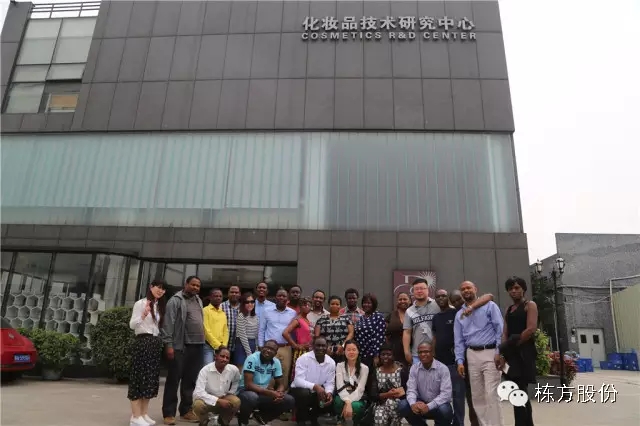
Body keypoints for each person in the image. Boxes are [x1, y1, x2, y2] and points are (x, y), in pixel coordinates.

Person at [432, 289, 492, 426]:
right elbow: (435, 336)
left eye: (443, 296)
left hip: (456, 362)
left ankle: (460, 423)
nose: (441, 298)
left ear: (448, 299)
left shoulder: (457, 313)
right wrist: (433, 353)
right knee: (441, 395)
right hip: (440, 362)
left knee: (458, 396)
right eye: (438, 296)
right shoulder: (436, 318)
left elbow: (488, 296)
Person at [454, 281, 504, 426]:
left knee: (491, 394)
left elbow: (500, 330)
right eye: (463, 289)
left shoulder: (490, 306)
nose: (466, 290)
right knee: (477, 397)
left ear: (475, 289)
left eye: (468, 287)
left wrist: (499, 352)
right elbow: (459, 340)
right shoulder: (459, 315)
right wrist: (459, 361)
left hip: (490, 352)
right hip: (471, 354)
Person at [162, 276, 205, 425]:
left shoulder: (198, 300)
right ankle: (168, 413)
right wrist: (169, 345)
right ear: (186, 284)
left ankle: (186, 410)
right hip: (180, 346)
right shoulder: (175, 300)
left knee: (190, 381)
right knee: (173, 380)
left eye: (198, 286)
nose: (195, 288)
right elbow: (168, 324)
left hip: (197, 345)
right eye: (193, 285)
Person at [128, 279, 167, 426]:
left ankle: (143, 414)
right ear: (151, 287)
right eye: (158, 287)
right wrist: (143, 315)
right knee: (139, 378)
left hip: (154, 343)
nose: (160, 291)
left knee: (149, 380)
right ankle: (135, 416)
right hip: (143, 342)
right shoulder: (141, 303)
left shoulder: (158, 305)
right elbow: (132, 325)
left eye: (163, 289)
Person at [501, 277, 538, 426]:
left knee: (520, 390)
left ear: (523, 289)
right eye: (510, 288)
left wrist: (513, 344)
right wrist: (503, 351)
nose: (514, 291)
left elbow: (531, 329)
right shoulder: (508, 309)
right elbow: (504, 332)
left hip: (524, 353)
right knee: (514, 391)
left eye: (517, 288)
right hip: (510, 354)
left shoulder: (530, 305)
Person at [237, 340, 296, 426]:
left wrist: (279, 393)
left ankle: (262, 418)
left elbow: (281, 384)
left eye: (272, 349)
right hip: (245, 391)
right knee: (252, 397)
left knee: (289, 400)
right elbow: (248, 384)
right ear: (262, 348)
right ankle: (243, 420)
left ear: (275, 353)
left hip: (263, 392)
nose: (268, 350)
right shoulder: (252, 358)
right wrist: (269, 393)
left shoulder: (276, 362)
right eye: (266, 347)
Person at [398, 343, 453, 426]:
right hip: (420, 403)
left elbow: (446, 394)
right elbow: (411, 390)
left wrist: (428, 406)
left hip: (437, 405)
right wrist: (413, 404)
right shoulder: (414, 368)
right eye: (420, 352)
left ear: (433, 353)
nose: (423, 354)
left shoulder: (443, 369)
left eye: (426, 352)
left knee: (445, 410)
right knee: (403, 405)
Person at [290, 336, 336, 426]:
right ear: (313, 346)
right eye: (318, 345)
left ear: (327, 347)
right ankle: (301, 419)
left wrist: (329, 392)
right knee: (304, 393)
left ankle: (314, 418)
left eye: (323, 346)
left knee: (330, 395)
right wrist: (315, 387)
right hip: (300, 390)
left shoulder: (331, 362)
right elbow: (298, 380)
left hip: (318, 392)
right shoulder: (303, 358)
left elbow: (330, 383)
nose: (320, 348)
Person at [258, 287, 297, 388]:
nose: (281, 298)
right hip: (269, 347)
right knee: (268, 371)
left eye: (284, 296)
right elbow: (261, 329)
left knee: (284, 372)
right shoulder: (267, 311)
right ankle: (268, 392)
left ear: (287, 299)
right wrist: (261, 346)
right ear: (275, 297)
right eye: (279, 295)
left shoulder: (293, 313)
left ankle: (282, 392)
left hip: (285, 347)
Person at [192, 346, 241, 426]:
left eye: (227, 358)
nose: (224, 359)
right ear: (215, 356)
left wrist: (231, 392)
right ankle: (204, 421)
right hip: (207, 401)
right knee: (198, 405)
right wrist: (218, 400)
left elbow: (237, 380)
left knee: (236, 401)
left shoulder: (233, 369)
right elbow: (198, 393)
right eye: (222, 356)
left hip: (224, 399)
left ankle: (223, 421)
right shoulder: (205, 370)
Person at [403, 278, 440, 366]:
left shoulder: (438, 305)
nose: (419, 291)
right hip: (417, 355)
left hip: (437, 353)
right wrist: (406, 352)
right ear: (413, 292)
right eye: (416, 289)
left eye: (422, 288)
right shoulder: (409, 311)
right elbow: (407, 332)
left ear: (428, 290)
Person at [370, 344, 408, 426]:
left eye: (389, 354)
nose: (385, 357)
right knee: (379, 418)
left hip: (398, 404)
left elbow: (407, 390)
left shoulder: (401, 371)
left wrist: (397, 393)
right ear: (379, 356)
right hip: (381, 404)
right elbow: (373, 395)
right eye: (383, 354)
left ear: (393, 356)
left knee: (391, 403)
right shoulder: (376, 371)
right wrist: (388, 394)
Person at [334, 340, 370, 426]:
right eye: (348, 350)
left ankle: (353, 423)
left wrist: (349, 403)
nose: (351, 352)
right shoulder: (339, 366)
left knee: (356, 406)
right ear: (344, 352)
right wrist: (347, 402)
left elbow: (360, 389)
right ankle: (341, 421)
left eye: (354, 349)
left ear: (358, 351)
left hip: (358, 397)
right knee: (338, 401)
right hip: (343, 395)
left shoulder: (364, 368)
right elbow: (340, 386)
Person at [314, 295, 354, 362]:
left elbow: (351, 333)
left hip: (342, 351)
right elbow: (317, 336)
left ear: (340, 306)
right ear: (329, 305)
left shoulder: (346, 319)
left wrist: (343, 346)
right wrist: (325, 348)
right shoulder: (321, 320)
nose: (334, 306)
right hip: (325, 352)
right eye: (332, 304)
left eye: (337, 304)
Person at [282, 297, 313, 379]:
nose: (307, 307)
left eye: (309, 305)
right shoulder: (297, 320)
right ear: (300, 307)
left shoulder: (306, 319)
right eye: (304, 305)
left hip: (308, 350)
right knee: (298, 373)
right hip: (300, 351)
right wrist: (296, 345)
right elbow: (285, 333)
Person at [354, 293, 386, 369]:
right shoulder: (361, 318)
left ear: (373, 304)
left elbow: (379, 338)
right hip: (360, 355)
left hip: (372, 355)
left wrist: (376, 355)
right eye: (364, 303)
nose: (366, 305)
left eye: (369, 303)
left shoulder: (378, 317)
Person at [203, 288, 229, 365]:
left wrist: (224, 345)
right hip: (208, 346)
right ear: (210, 297)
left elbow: (225, 330)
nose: (218, 298)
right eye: (216, 296)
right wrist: (218, 345)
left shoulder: (222, 313)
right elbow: (206, 330)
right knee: (208, 368)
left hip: (221, 347)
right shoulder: (205, 310)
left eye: (220, 296)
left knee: (220, 368)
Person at [385, 292, 411, 368]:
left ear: (409, 301)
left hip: (411, 351)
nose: (402, 301)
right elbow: (384, 333)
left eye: (405, 299)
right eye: (400, 299)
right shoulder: (391, 315)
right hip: (394, 351)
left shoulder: (414, 315)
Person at [234, 292, 259, 369]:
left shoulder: (256, 316)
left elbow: (256, 334)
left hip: (253, 344)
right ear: (243, 304)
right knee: (241, 370)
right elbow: (242, 336)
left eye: (252, 302)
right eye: (247, 302)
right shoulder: (241, 316)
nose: (250, 304)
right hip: (242, 345)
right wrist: (249, 353)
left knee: (251, 371)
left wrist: (256, 348)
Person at [220, 286, 240, 357]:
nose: (234, 294)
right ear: (228, 293)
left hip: (238, 347)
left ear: (239, 294)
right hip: (223, 346)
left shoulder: (243, 308)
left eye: (236, 292)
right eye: (232, 292)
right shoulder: (221, 306)